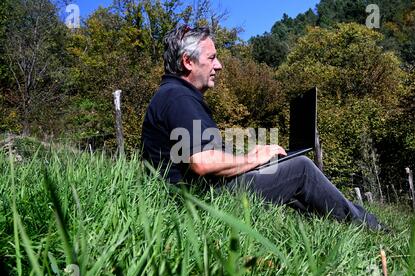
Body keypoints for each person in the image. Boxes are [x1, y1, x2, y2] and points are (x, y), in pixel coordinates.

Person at [141, 25, 388, 232]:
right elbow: (202, 162)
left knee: (280, 170)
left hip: (198, 196)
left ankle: (340, 228)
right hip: (202, 201)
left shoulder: (173, 95)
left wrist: (254, 158)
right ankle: (373, 231)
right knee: (301, 169)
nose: (219, 66)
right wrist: (252, 158)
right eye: (212, 57)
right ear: (187, 61)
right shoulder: (178, 98)